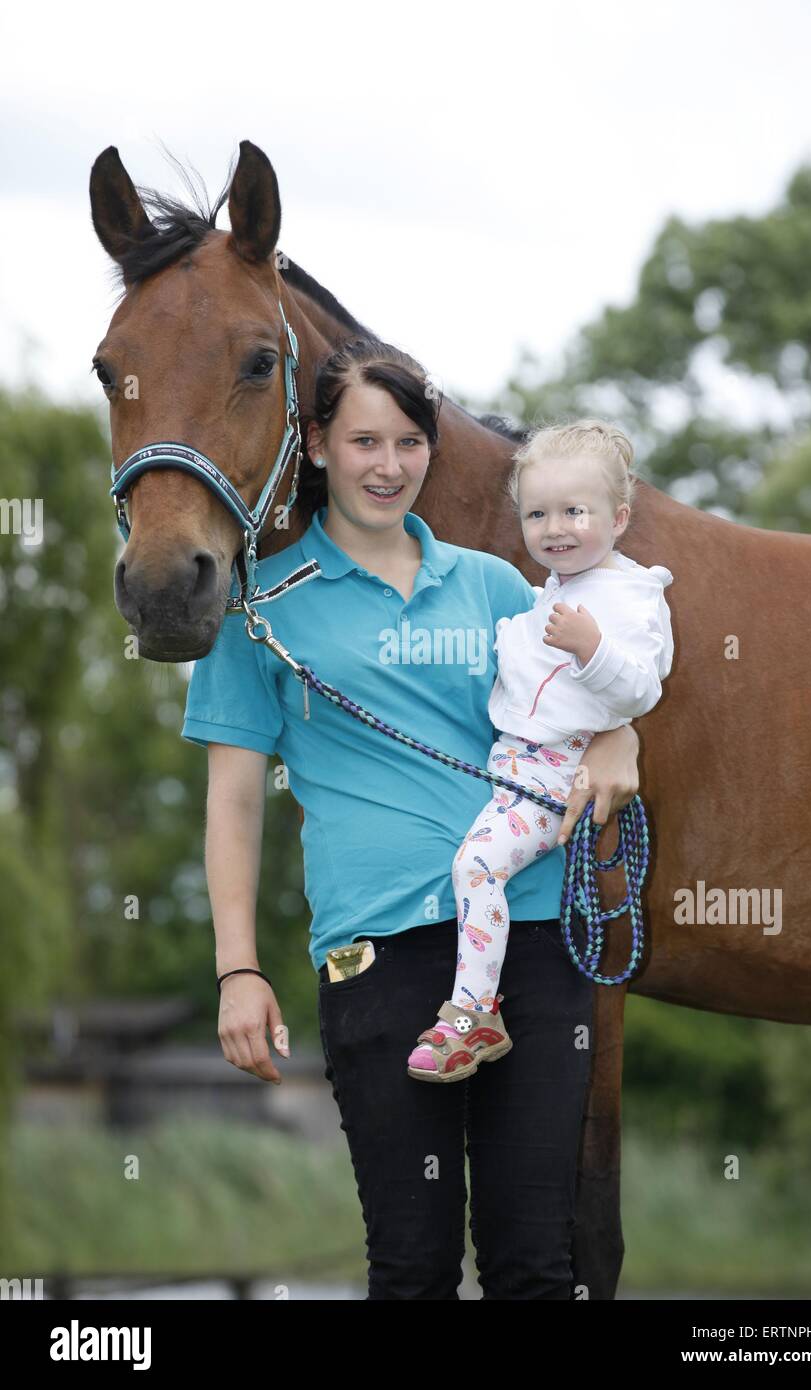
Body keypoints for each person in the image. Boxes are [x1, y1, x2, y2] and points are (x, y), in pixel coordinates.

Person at [181, 337, 641, 1299]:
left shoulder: (497, 586)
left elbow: (591, 695)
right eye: (362, 442)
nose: (388, 466)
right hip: (381, 953)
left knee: (536, 1264)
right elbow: (232, 801)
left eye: (408, 442)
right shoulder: (258, 606)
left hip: (536, 937)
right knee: (413, 1264)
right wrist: (237, 969)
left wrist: (619, 740)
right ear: (314, 446)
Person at [407, 421, 673, 1081]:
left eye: (573, 512)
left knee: (476, 868)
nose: (554, 528)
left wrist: (593, 648)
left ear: (619, 517)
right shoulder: (559, 586)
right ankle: (474, 1009)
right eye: (536, 513)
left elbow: (640, 688)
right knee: (477, 867)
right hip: (520, 766)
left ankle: (472, 1014)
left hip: (556, 774)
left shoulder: (630, 600)